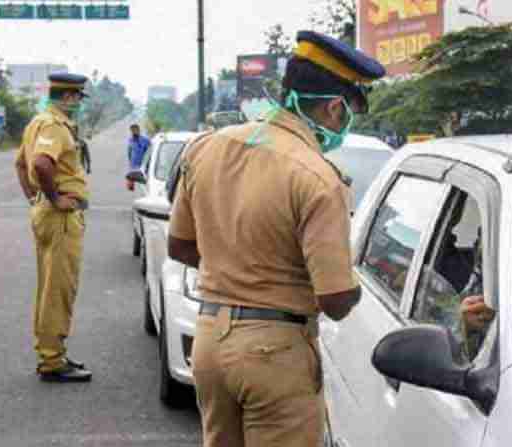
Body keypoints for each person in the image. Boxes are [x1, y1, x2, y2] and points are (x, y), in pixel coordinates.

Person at [167, 30, 385, 447]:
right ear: (334, 108)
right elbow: (335, 300)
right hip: (275, 355)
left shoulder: (207, 148)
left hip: (210, 342)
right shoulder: (319, 178)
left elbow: (179, 245)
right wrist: (358, 285)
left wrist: (237, 269)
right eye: (347, 114)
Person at [14, 73, 92, 383]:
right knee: (58, 289)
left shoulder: (37, 122)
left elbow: (21, 164)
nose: (78, 105)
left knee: (49, 287)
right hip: (59, 218)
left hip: (46, 213)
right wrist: (54, 198)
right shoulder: (54, 126)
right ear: (70, 97)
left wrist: (34, 198)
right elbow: (40, 165)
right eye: (77, 99)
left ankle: (50, 352)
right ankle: (52, 361)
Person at [126, 124, 150, 191]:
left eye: (135, 130)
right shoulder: (130, 140)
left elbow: (149, 152)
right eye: (132, 130)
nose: (134, 132)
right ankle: (131, 185)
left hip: (143, 165)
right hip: (134, 165)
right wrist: (130, 163)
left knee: (144, 183)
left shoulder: (145, 140)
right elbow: (129, 153)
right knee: (131, 182)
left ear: (139, 130)